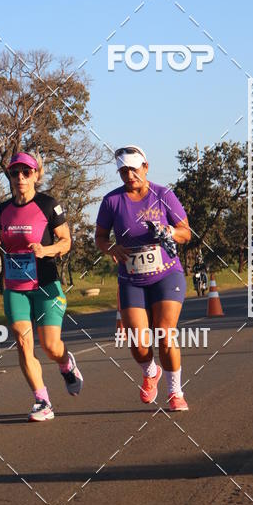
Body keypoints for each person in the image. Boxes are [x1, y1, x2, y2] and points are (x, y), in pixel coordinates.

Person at [95, 145, 192, 411]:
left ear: (145, 167)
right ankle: (151, 372)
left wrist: (169, 231)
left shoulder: (163, 195)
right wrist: (111, 248)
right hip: (132, 279)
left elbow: (186, 233)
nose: (129, 176)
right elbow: (100, 238)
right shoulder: (112, 201)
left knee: (165, 333)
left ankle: (175, 392)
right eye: (123, 171)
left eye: (134, 169)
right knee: (138, 342)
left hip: (167, 275)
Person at [0, 151, 83, 421]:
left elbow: (66, 242)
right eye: (14, 173)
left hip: (45, 284)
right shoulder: (2, 209)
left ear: (36, 175)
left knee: (51, 346)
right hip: (15, 286)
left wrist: (46, 250)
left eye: (26, 172)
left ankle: (66, 364)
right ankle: (42, 401)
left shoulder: (48, 205)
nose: (20, 177)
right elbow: (6, 245)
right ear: (9, 176)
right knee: (23, 343)